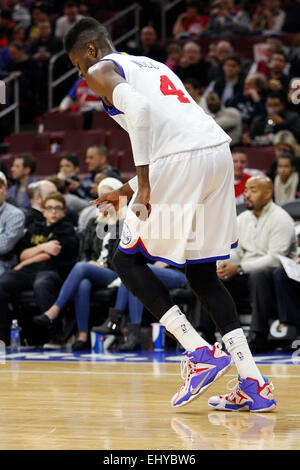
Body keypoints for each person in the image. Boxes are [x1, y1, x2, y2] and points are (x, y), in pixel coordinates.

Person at [64, 17, 276, 412]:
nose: (82, 75)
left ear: (90, 50)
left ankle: (199, 351)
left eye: (77, 65)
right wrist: (127, 188)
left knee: (125, 260)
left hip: (179, 162)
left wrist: (143, 186)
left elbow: (142, 112)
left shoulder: (99, 69)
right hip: (217, 154)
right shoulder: (151, 64)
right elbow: (177, 132)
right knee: (200, 274)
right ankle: (254, 383)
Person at [33, 178, 125, 351]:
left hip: (115, 272)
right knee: (83, 282)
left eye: (108, 195)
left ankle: (54, 310)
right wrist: (90, 263)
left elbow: (123, 254)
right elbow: (84, 251)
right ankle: (82, 335)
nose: (103, 199)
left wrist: (101, 265)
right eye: (100, 195)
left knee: (82, 268)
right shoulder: (93, 223)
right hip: (93, 269)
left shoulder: (125, 222)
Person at [216, 176, 297, 353]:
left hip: (273, 278)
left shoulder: (281, 218)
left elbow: (276, 258)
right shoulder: (242, 218)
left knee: (259, 275)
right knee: (215, 277)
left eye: (253, 190)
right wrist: (224, 265)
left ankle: (257, 336)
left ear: (268, 194)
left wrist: (239, 268)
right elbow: (236, 251)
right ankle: (210, 334)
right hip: (246, 273)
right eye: (246, 190)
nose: (247, 195)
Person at [0, 192, 79, 345]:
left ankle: (55, 335)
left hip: (53, 270)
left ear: (64, 211)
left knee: (42, 284)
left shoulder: (66, 228)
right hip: (28, 271)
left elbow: (51, 254)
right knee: (3, 283)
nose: (53, 212)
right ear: (43, 211)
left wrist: (26, 260)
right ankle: (3, 335)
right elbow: (23, 254)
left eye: (58, 208)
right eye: (49, 208)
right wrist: (43, 246)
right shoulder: (35, 227)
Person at [93, 261, 188, 351]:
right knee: (131, 274)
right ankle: (131, 334)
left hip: (178, 272)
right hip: (154, 270)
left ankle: (114, 322)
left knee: (135, 270)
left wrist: (168, 261)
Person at [0, 171, 25, 277]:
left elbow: (4, 246)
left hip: (4, 264)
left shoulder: (15, 215)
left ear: (5, 190)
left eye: (0, 187)